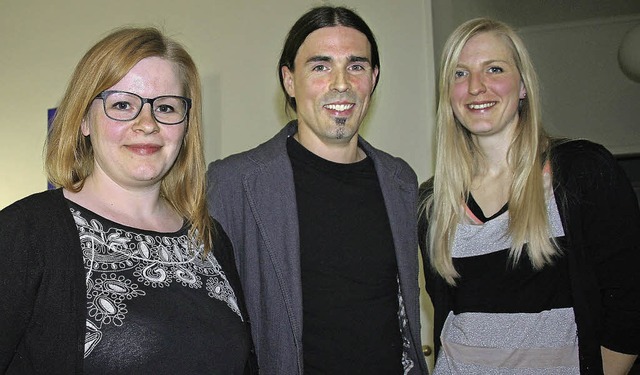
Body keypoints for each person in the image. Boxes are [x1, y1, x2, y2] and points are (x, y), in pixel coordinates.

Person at [0, 27, 256, 374]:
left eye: (165, 107)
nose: (147, 123)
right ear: (83, 119)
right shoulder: (25, 233)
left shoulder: (209, 239)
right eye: (122, 104)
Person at [207, 6, 428, 375]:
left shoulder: (400, 181)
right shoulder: (232, 183)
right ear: (289, 80)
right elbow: (213, 324)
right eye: (320, 66)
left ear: (373, 78)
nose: (341, 83)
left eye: (356, 66)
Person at [418, 17, 640, 374]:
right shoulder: (433, 202)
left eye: (494, 68)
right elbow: (447, 312)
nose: (476, 87)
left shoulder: (582, 171)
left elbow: (630, 305)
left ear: (522, 86)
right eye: (460, 74)